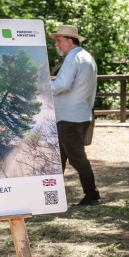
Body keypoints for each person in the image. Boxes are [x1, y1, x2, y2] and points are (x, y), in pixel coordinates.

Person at [49, 25, 99, 205]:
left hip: (69, 117)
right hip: (78, 115)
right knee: (59, 158)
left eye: (59, 40)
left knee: (76, 157)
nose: (57, 44)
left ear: (70, 41)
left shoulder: (73, 58)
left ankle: (92, 194)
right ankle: (52, 195)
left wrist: (42, 87)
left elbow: (63, 85)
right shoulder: (86, 57)